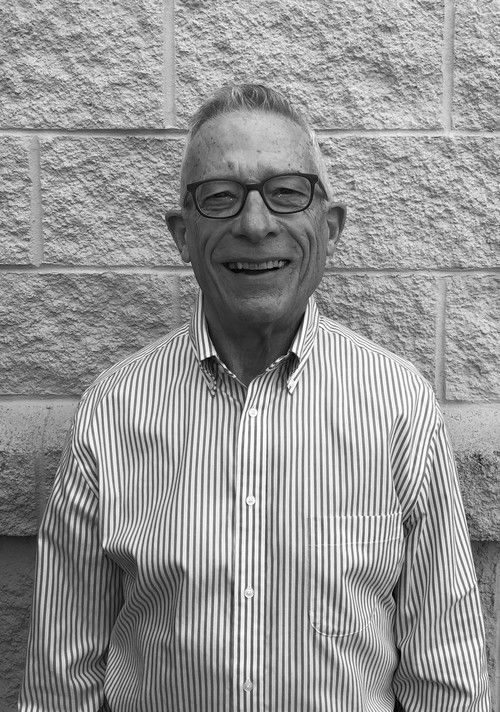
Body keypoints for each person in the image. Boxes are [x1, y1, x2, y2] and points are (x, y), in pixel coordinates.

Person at [19, 84, 489, 712]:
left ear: (329, 226)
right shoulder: (113, 410)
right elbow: (59, 682)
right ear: (183, 235)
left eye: (287, 192)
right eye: (220, 197)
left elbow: (445, 677)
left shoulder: (398, 405)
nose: (255, 224)